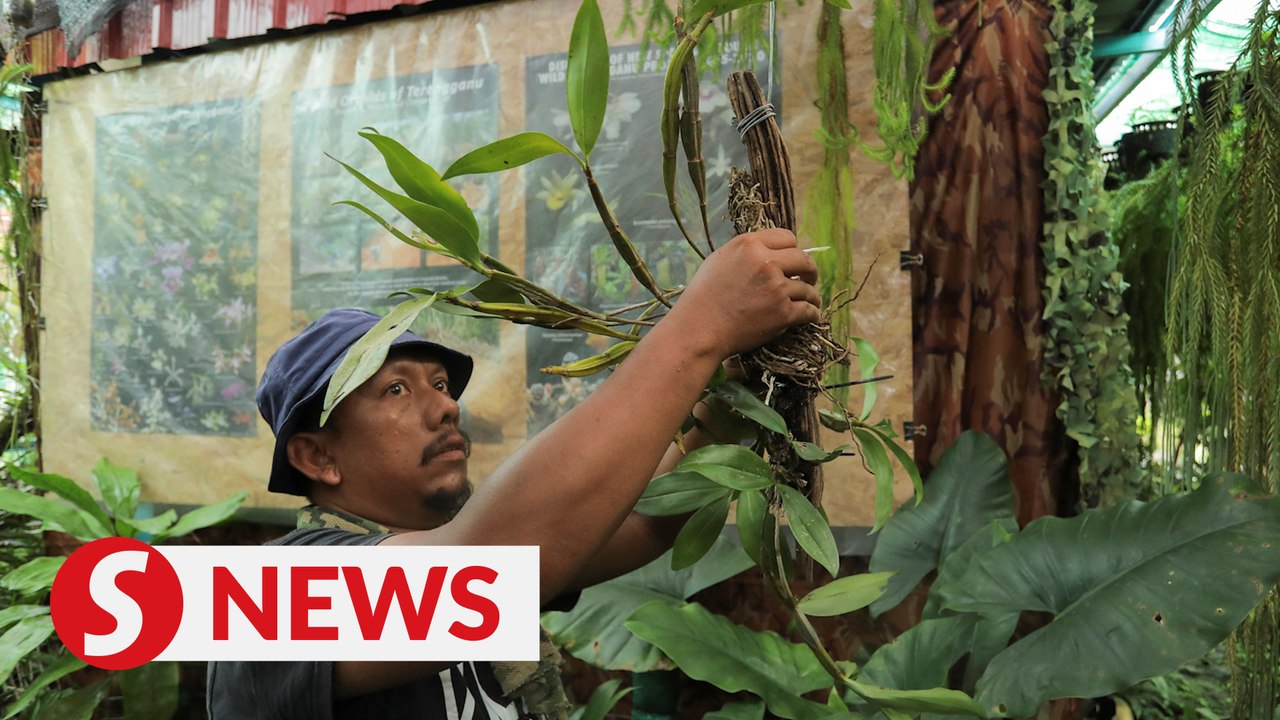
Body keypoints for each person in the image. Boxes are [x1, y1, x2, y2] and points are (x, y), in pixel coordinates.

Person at [207, 229, 821, 719]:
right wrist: (700, 327)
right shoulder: (266, 602)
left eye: (441, 384)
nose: (446, 406)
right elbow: (472, 576)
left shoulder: (477, 544)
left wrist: (735, 403)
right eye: (395, 389)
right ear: (318, 457)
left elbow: (641, 514)